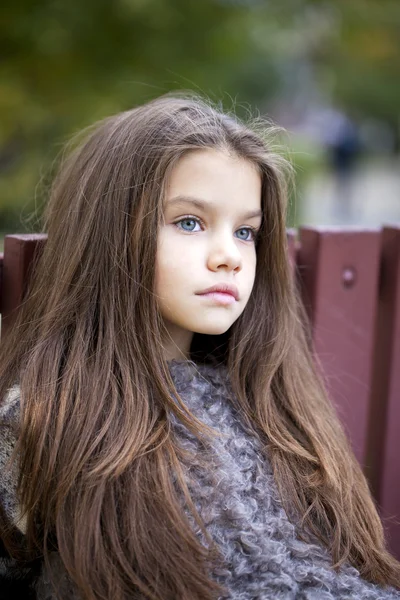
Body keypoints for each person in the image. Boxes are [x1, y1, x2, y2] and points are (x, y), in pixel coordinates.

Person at [0, 93, 399, 600]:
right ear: (109, 232)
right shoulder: (48, 416)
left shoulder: (272, 400)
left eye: (246, 232)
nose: (229, 256)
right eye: (189, 222)